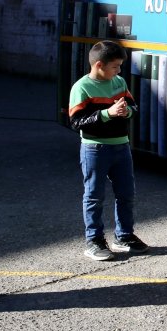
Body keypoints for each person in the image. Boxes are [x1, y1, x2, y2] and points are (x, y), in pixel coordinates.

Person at [69, 40, 147, 261]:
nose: (119, 70)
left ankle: (124, 236)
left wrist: (127, 112)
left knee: (126, 194)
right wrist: (107, 114)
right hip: (95, 148)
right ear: (99, 65)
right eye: (115, 66)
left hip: (121, 145)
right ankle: (94, 240)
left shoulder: (119, 82)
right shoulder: (81, 87)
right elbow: (76, 121)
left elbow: (133, 106)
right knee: (94, 196)